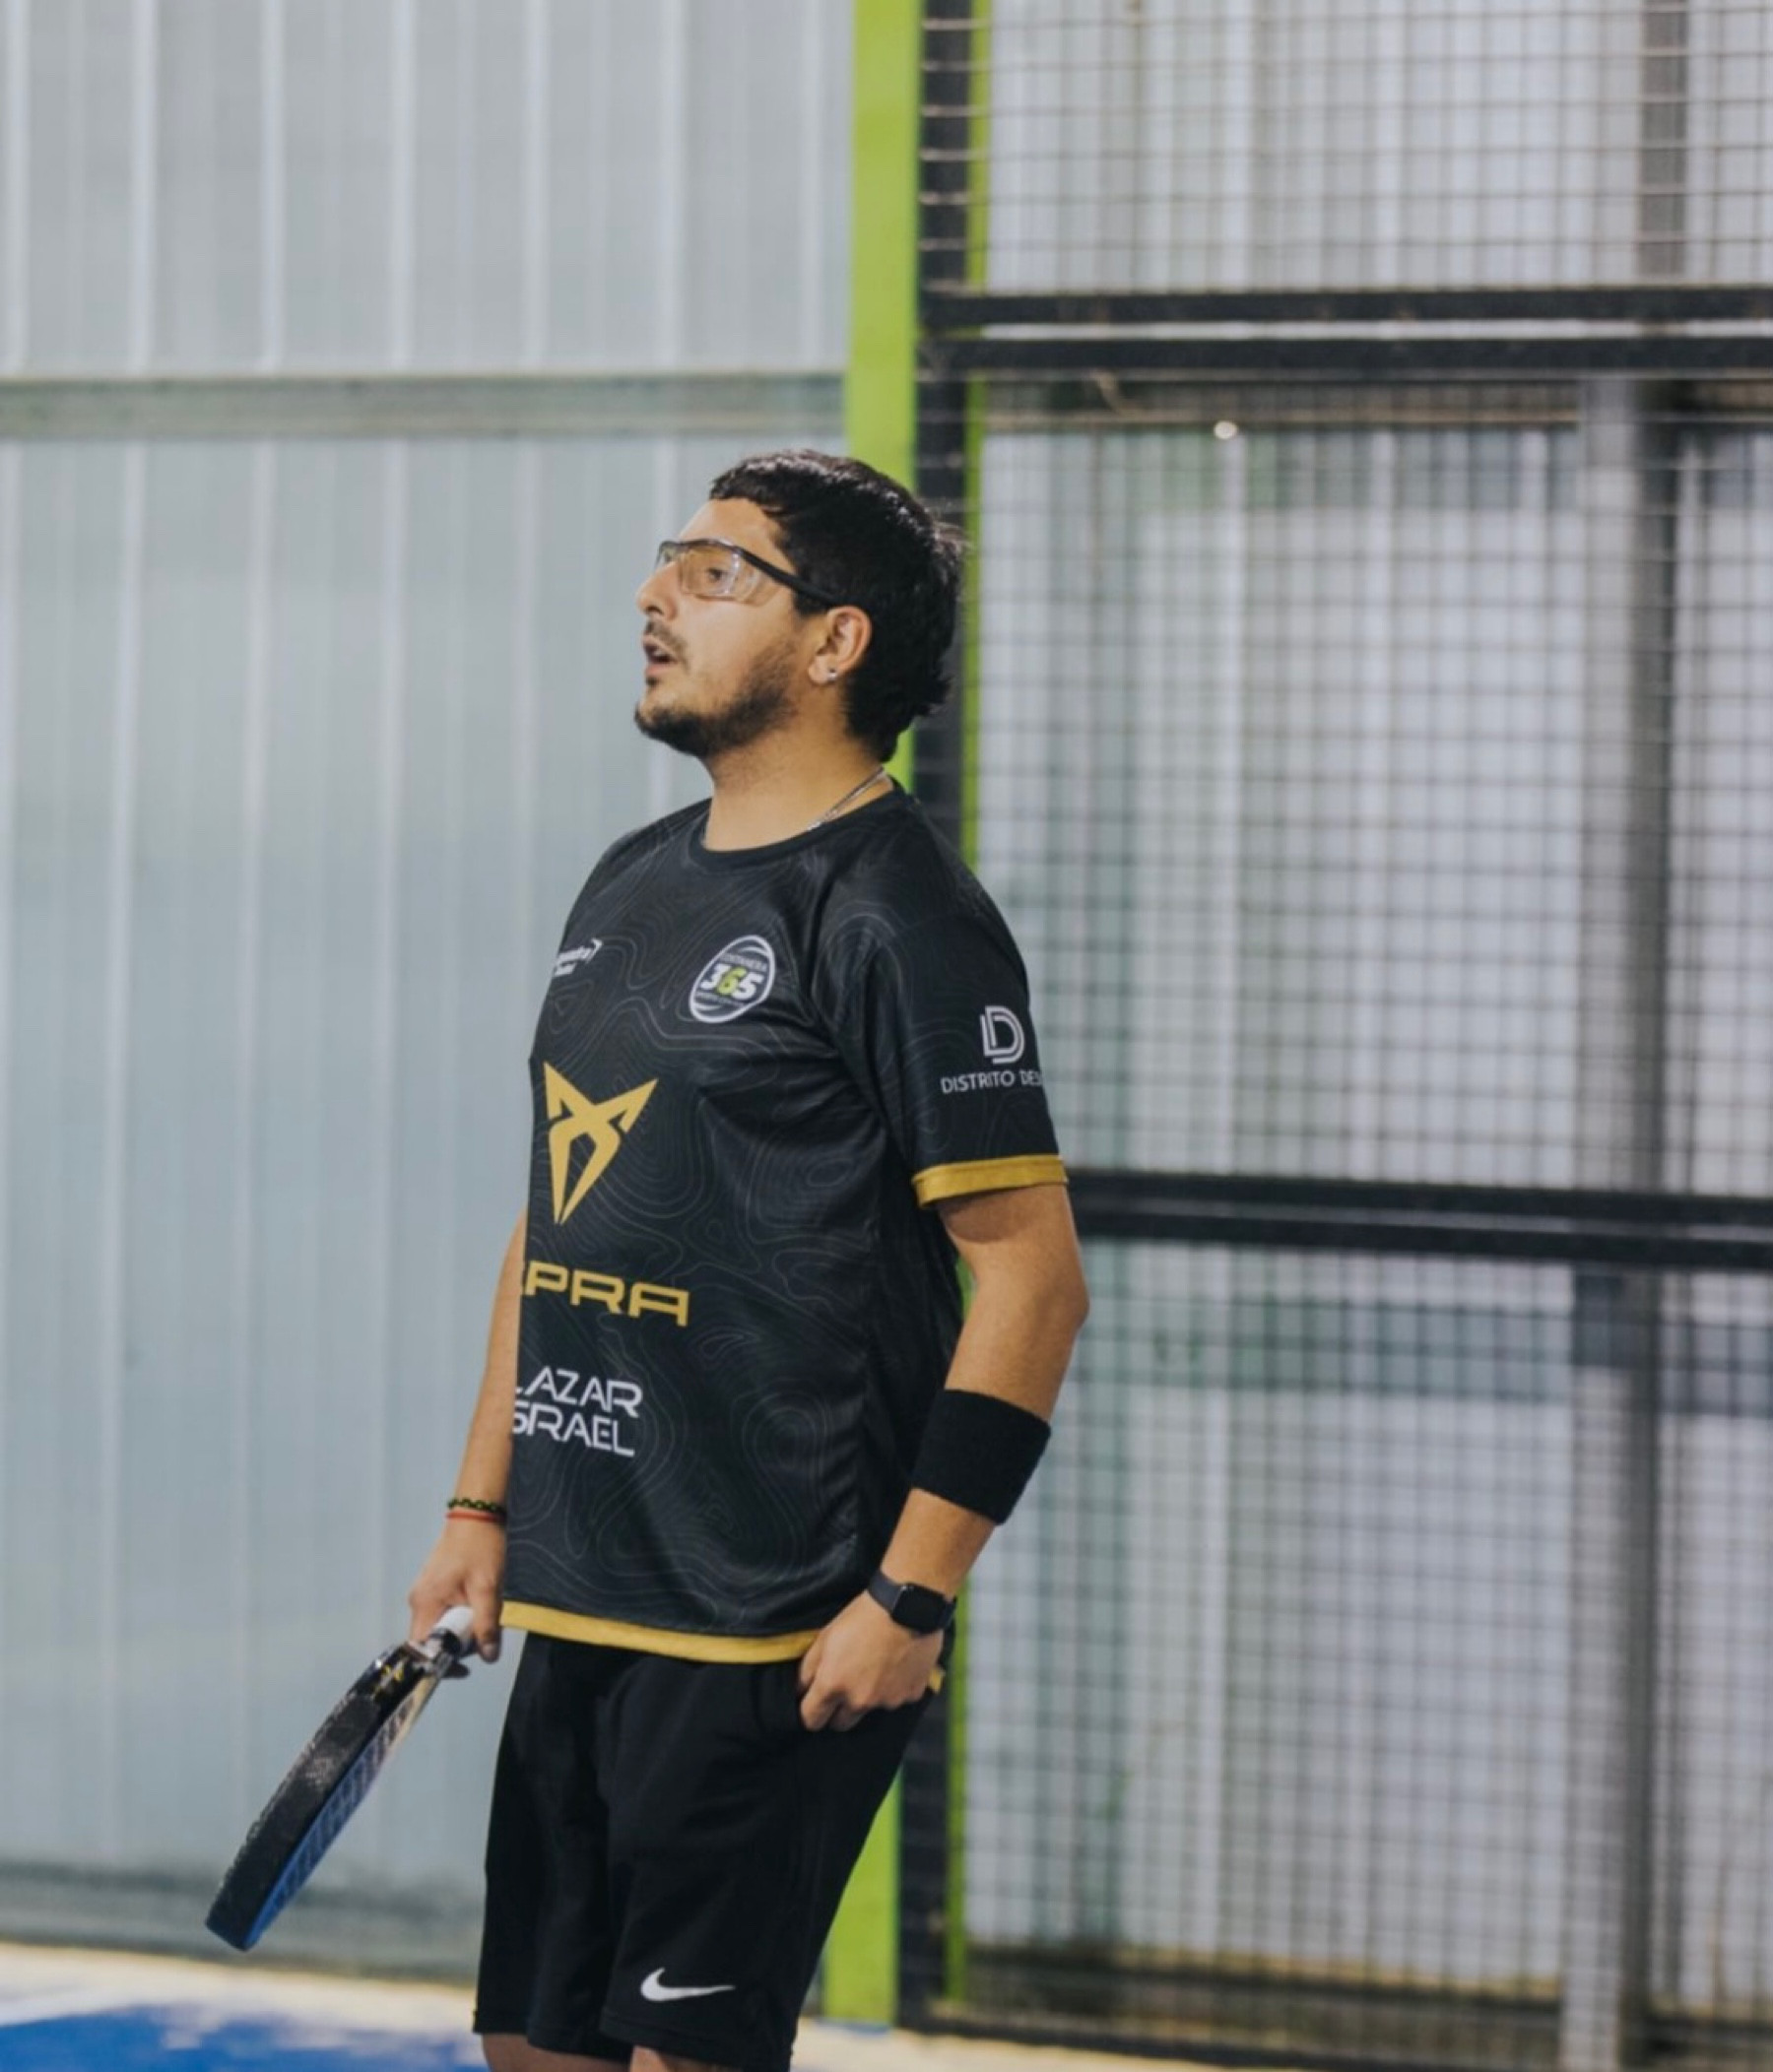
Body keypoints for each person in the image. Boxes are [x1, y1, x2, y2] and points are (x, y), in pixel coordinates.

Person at [406, 450, 1088, 2072]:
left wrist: (910, 1593)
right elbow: (560, 1210)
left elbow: (1034, 1279)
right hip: (584, 1591)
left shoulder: (900, 914)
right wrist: (479, 1510)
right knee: (532, 2049)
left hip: (780, 1624)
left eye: (717, 573)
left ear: (836, 641)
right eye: (670, 561)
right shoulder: (631, 880)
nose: (656, 597)